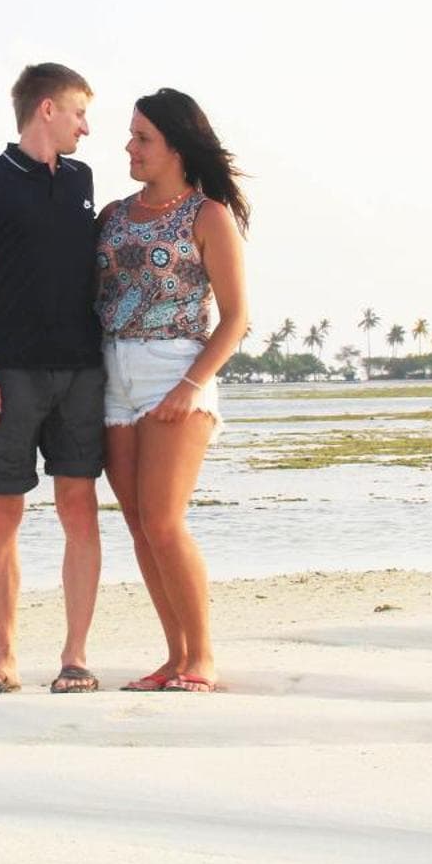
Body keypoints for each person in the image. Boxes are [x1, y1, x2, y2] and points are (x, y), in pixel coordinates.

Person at [0, 63, 107, 695]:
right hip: (8, 373)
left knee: (79, 509)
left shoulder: (82, 180)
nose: (85, 128)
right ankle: (4, 658)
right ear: (47, 109)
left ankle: (76, 657)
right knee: (2, 513)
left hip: (82, 371)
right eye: (79, 113)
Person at [95, 88, 249, 693]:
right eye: (131, 136)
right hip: (113, 374)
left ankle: (202, 656)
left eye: (143, 138)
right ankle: (174, 655)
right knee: (138, 524)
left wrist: (191, 385)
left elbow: (236, 318)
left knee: (163, 521)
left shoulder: (208, 216)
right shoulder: (113, 215)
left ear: (176, 147)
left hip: (175, 370)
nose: (129, 148)